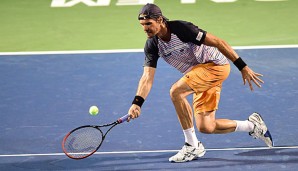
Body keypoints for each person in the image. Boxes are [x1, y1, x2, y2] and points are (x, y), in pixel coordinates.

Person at [128, 3, 273, 163]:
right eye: (142, 25)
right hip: (199, 75)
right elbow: (147, 77)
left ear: (160, 20)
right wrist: (137, 103)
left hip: (215, 66)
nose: (145, 28)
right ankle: (253, 126)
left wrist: (242, 66)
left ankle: (192, 145)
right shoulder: (152, 45)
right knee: (206, 126)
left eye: (148, 24)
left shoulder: (181, 29)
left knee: (176, 92)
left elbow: (218, 42)